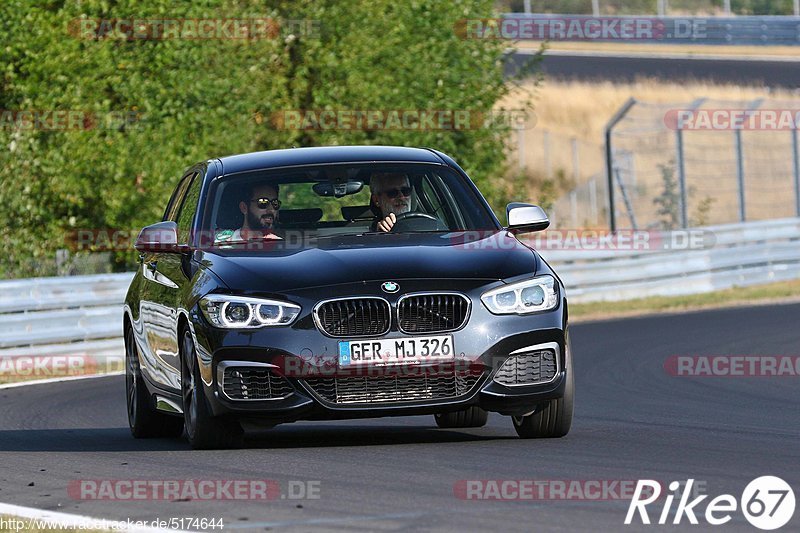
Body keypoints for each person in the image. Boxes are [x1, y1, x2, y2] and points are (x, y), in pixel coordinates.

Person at [215, 182, 282, 242]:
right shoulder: (224, 245)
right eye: (263, 203)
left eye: (275, 204)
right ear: (244, 207)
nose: (271, 210)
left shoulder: (280, 246)